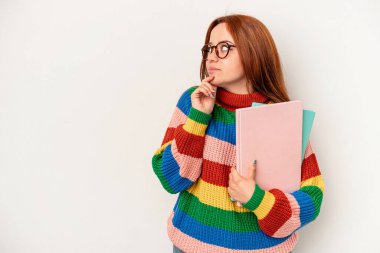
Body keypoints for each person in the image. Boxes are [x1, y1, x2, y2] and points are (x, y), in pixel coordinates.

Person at [152, 14, 324, 253]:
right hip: (190, 246)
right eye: (209, 48)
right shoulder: (194, 101)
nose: (212, 56)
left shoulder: (281, 115)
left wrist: (258, 200)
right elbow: (171, 179)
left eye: (224, 48)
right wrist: (198, 118)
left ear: (254, 52)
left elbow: (312, 196)